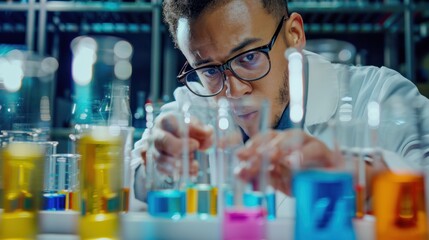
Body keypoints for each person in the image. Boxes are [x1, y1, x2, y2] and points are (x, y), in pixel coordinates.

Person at [129, 0, 429, 214]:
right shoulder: (194, 104)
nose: (234, 90)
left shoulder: (379, 94)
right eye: (209, 70)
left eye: (248, 57)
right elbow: (130, 177)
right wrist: (159, 165)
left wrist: (361, 175)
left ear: (294, 35)